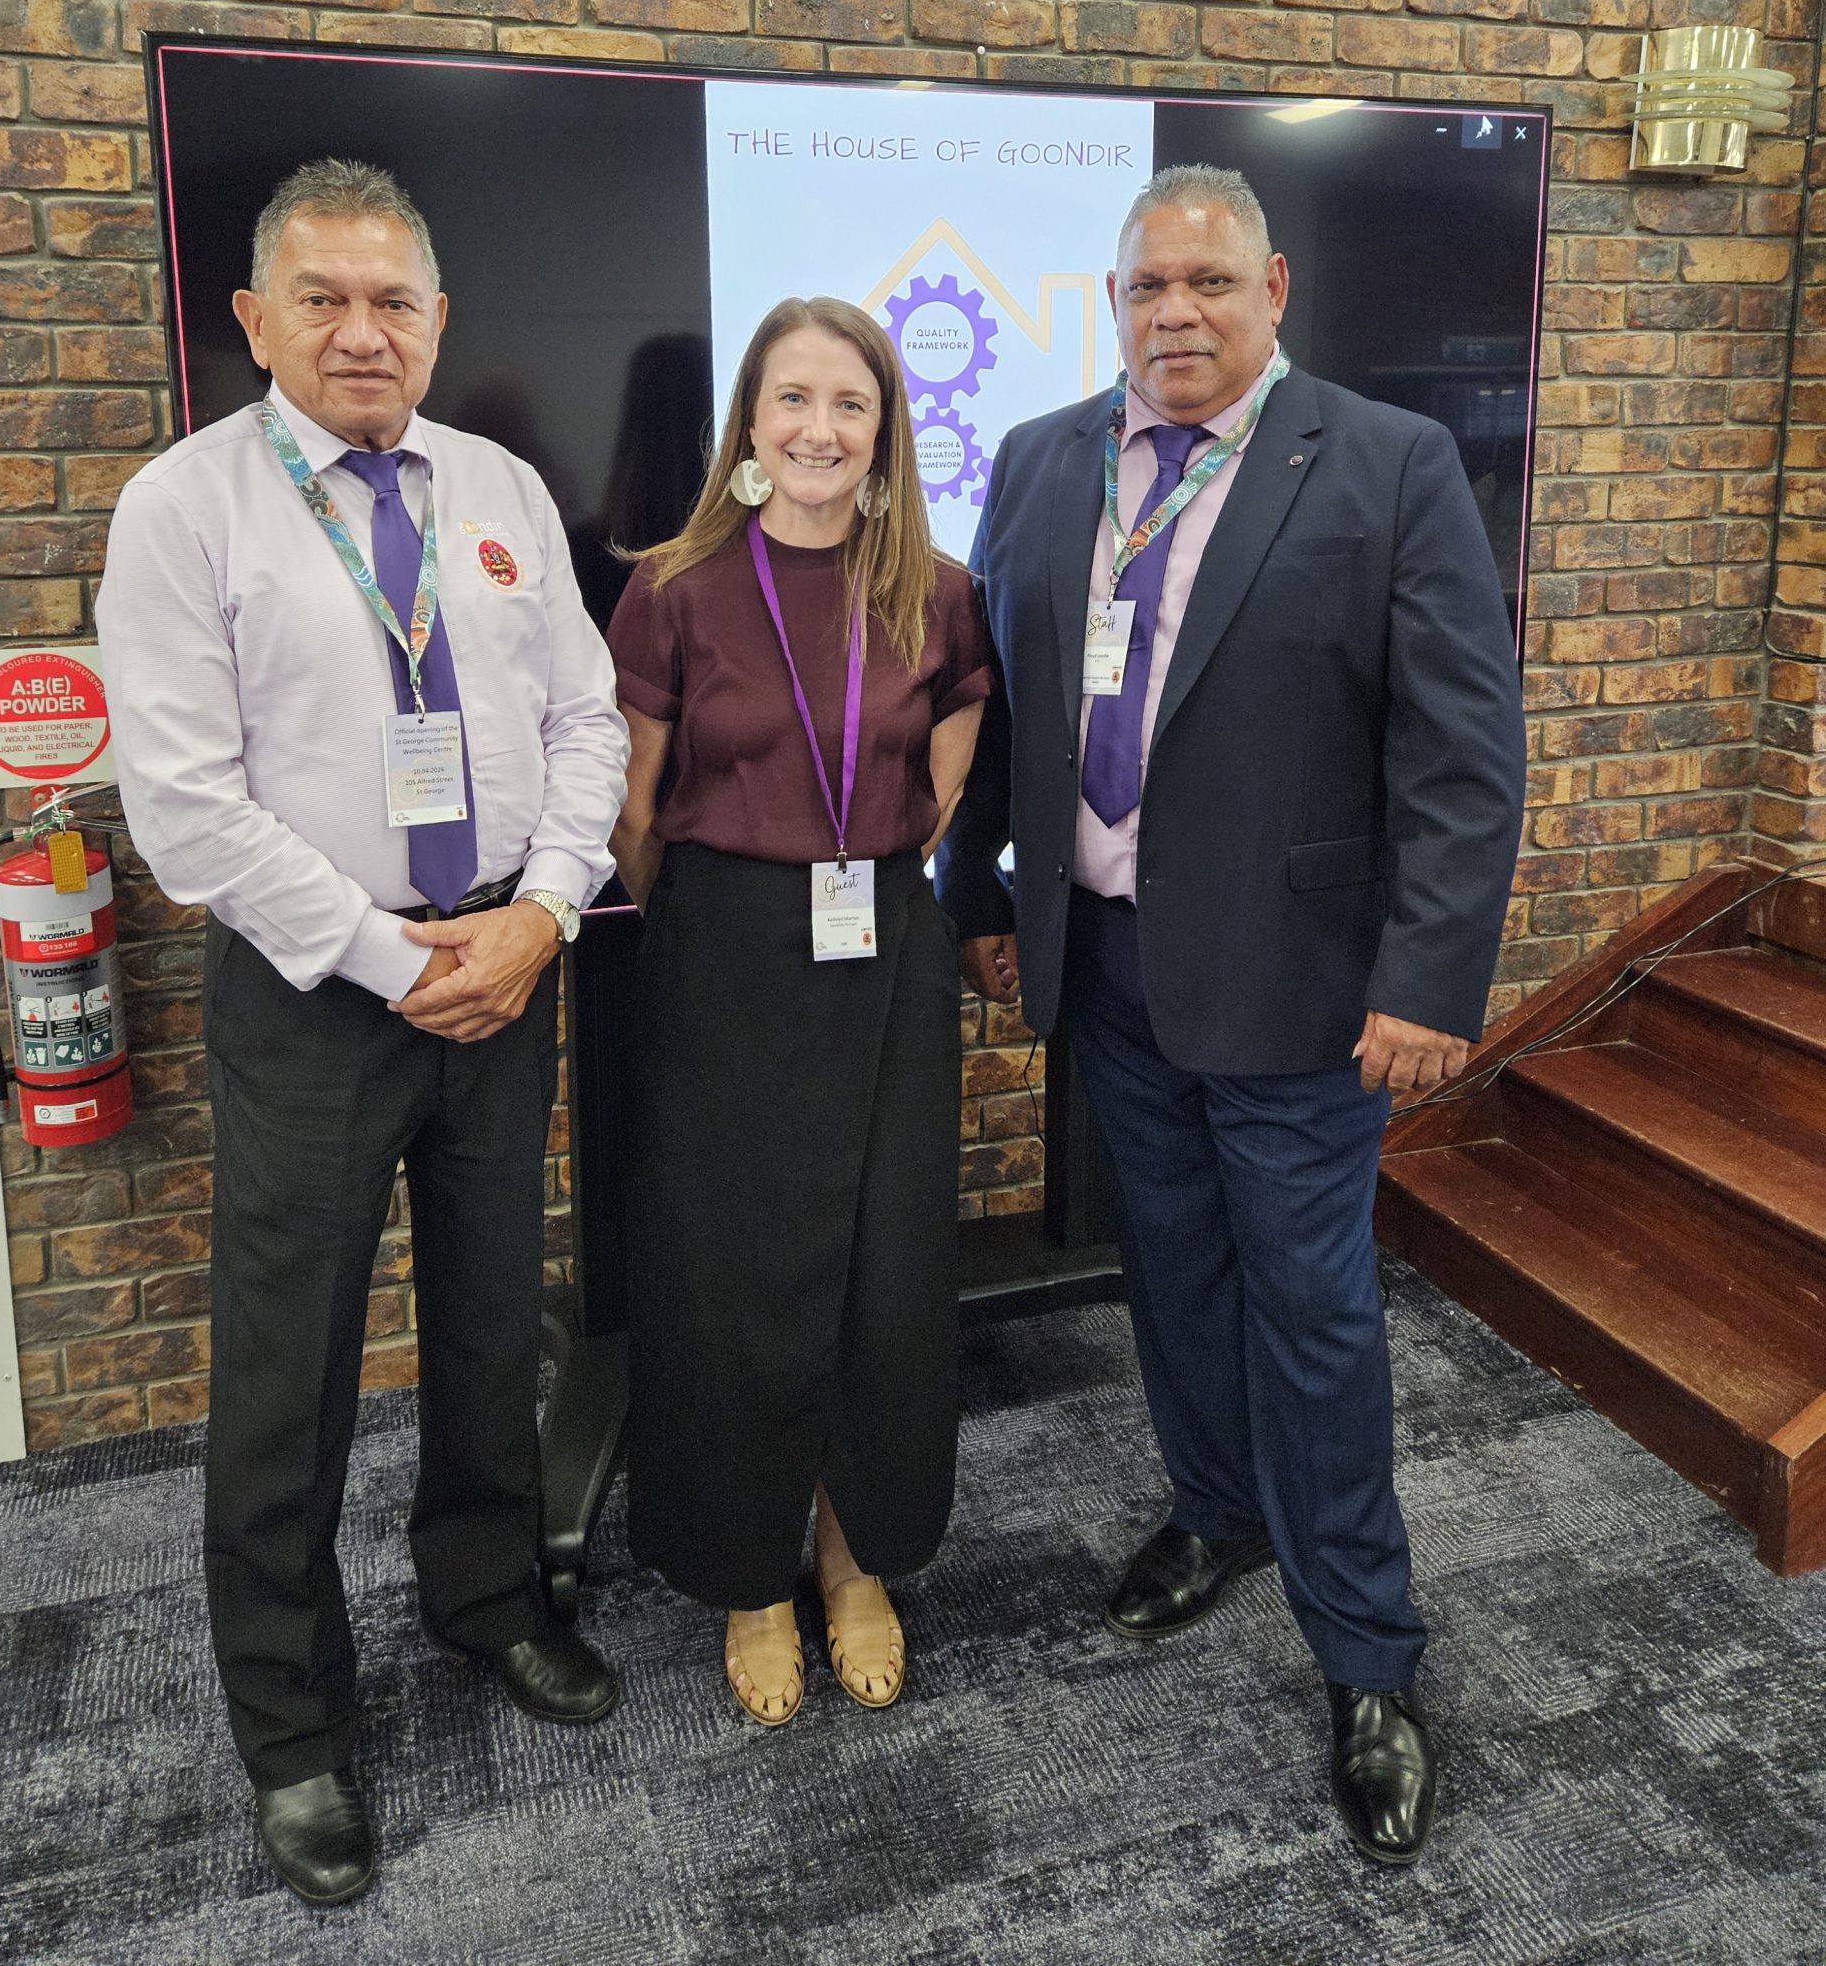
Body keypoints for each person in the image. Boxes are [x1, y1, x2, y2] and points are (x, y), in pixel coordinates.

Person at [936, 164, 1524, 1867]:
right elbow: (1010, 703)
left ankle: (1368, 1659)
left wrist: (1427, 980)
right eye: (1144, 288)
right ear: (1109, 304)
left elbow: (1463, 756)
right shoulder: (1046, 461)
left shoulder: (1391, 464)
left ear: (1274, 288)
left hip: (1305, 995)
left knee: (1317, 1320)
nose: (1174, 314)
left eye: (1207, 282)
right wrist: (987, 896)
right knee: (1171, 1277)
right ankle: (1216, 1516)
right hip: (1112, 970)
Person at [98, 159, 629, 1907]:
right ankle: (293, 1725)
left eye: (394, 300)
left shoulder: (500, 491)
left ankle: (488, 1604)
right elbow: (184, 814)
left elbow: (583, 717)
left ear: (438, 319)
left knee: (490, 1319)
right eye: (321, 298)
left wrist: (543, 913)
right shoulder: (189, 510)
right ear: (254, 320)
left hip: (499, 959)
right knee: (288, 1372)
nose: (361, 330)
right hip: (317, 991)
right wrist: (391, 963)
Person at [607, 296, 990, 1727]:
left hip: (882, 946)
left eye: (851, 402)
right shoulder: (672, 586)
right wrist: (728, 907)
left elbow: (948, 756)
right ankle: (751, 1578)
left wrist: (873, 860)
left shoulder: (936, 591)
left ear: (885, 427)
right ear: (750, 426)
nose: (820, 429)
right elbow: (634, 815)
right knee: (733, 1281)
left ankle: (853, 1558)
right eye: (792, 401)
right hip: (721, 955)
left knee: (883, 1274)